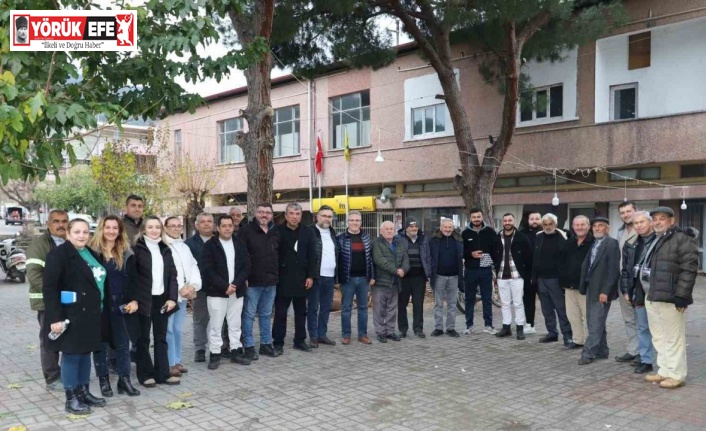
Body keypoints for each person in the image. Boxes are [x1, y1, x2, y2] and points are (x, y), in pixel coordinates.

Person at [43, 219, 108, 414]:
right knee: (72, 355)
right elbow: (50, 289)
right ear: (68, 234)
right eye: (77, 232)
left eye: (85, 232)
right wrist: (55, 318)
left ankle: (83, 392)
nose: (82, 235)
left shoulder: (91, 253)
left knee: (85, 353)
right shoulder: (58, 255)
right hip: (70, 314)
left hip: (91, 313)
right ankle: (71, 398)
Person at [643, 207, 698, 389]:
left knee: (673, 338)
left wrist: (682, 296)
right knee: (659, 337)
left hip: (671, 298)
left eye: (662, 218)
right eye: (655, 219)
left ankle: (676, 375)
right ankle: (664, 370)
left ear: (672, 220)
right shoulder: (656, 239)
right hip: (653, 296)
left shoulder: (682, 238)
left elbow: (689, 269)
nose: (658, 222)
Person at [89, 216, 141, 397]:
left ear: (120, 231)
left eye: (115, 228)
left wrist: (135, 300)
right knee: (100, 346)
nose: (111, 231)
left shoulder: (126, 252)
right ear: (101, 229)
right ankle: (103, 381)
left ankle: (124, 380)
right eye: (107, 227)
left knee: (122, 344)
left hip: (121, 306)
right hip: (100, 307)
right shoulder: (92, 253)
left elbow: (134, 279)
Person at [133, 216, 180, 387]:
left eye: (157, 227)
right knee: (143, 338)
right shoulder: (136, 249)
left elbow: (172, 276)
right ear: (143, 230)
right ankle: (145, 374)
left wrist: (172, 298)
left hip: (162, 299)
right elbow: (132, 277)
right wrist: (134, 299)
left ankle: (163, 373)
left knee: (161, 337)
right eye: (150, 227)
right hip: (144, 300)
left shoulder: (165, 249)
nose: (154, 230)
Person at [26, 209, 69, 391]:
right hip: (47, 303)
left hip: (68, 301)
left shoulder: (71, 241)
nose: (61, 225)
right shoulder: (39, 245)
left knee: (68, 338)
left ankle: (66, 373)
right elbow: (34, 275)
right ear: (48, 224)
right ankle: (52, 377)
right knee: (50, 339)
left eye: (64, 221)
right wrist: (54, 295)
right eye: (56, 221)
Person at [202, 215, 251, 369]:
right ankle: (215, 354)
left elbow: (246, 266)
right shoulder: (210, 245)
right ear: (218, 228)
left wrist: (235, 284)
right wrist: (225, 286)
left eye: (230, 225)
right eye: (224, 226)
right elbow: (208, 270)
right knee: (216, 325)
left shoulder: (239, 243)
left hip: (236, 291)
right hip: (217, 292)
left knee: (235, 324)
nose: (227, 228)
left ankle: (235, 351)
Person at [238, 203, 281, 360]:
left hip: (271, 282)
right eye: (261, 212)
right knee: (249, 315)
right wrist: (244, 278)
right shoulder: (246, 231)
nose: (264, 215)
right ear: (256, 214)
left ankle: (266, 344)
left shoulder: (275, 231)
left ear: (272, 215)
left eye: (267, 212)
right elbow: (241, 256)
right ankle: (249, 346)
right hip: (252, 282)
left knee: (266, 314)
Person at [185, 212, 228, 362]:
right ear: (196, 225)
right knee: (200, 320)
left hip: (219, 287)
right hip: (200, 289)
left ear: (214, 225)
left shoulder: (221, 241)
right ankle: (200, 349)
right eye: (202, 222)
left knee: (220, 319)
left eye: (209, 221)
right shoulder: (189, 244)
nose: (206, 224)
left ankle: (220, 347)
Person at [577, 217, 620, 365]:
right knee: (595, 321)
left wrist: (605, 291)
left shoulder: (612, 243)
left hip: (601, 291)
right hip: (591, 288)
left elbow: (613, 270)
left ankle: (588, 353)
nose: (597, 228)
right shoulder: (595, 243)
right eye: (594, 226)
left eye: (600, 226)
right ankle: (602, 351)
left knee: (595, 322)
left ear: (607, 228)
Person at [163, 217, 202, 377]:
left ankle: (177, 360)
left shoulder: (184, 246)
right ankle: (168, 363)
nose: (176, 228)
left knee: (178, 329)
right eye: (172, 226)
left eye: (179, 226)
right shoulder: (162, 246)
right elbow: (167, 272)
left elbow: (193, 266)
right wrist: (179, 288)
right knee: (168, 330)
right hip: (169, 296)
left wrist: (193, 285)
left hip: (184, 295)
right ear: (165, 227)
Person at [620, 211, 657, 374]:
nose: (639, 225)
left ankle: (666, 363)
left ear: (650, 222)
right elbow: (625, 270)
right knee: (642, 328)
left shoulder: (660, 241)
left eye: (642, 222)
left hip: (658, 292)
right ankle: (646, 360)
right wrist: (626, 291)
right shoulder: (631, 244)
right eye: (636, 223)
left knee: (660, 329)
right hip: (639, 292)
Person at [273, 203, 314, 353]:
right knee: (280, 312)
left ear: (301, 216)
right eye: (291, 214)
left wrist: (311, 276)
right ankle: (278, 342)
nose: (294, 217)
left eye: (297, 214)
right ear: (286, 215)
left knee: (301, 312)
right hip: (283, 278)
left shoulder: (307, 232)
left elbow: (312, 255)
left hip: (302, 278)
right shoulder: (277, 231)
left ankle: (300, 340)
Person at [300, 205, 340, 346]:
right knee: (313, 307)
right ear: (317, 216)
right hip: (315, 277)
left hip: (330, 277)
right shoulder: (309, 231)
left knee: (326, 307)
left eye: (329, 216)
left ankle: (322, 334)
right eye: (324, 216)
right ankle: (313, 336)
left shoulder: (332, 233)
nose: (327, 219)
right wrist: (308, 275)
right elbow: (304, 255)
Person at [532, 213, 572, 345]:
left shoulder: (563, 237)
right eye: (545, 224)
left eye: (551, 224)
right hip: (541, 279)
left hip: (556, 279)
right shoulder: (538, 237)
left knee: (561, 309)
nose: (548, 227)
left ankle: (567, 335)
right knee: (546, 309)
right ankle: (552, 333)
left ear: (555, 224)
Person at [337, 211, 375, 345]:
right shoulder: (340, 238)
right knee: (346, 308)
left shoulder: (366, 238)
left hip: (364, 279)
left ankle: (362, 335)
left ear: (361, 222)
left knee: (363, 308)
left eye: (357, 220)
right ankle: (346, 335)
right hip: (348, 279)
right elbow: (337, 260)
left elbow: (371, 259)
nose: (355, 223)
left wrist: (372, 276)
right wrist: (338, 279)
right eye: (352, 220)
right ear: (348, 222)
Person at [492, 213, 532, 340]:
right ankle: (506, 327)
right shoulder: (497, 237)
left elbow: (528, 256)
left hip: (517, 275)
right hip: (501, 275)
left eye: (510, 220)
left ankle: (520, 328)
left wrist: (526, 272)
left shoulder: (522, 237)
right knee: (504, 304)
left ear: (514, 222)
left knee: (518, 303)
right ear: (502, 222)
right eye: (505, 220)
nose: (507, 222)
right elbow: (493, 253)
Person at [559, 215, 594, 350]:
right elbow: (562, 263)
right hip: (569, 287)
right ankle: (578, 340)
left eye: (582, 224)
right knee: (572, 315)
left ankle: (592, 342)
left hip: (586, 287)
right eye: (577, 225)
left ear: (588, 226)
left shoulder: (594, 243)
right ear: (573, 227)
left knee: (589, 316)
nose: (579, 227)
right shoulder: (569, 243)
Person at [371, 221, 409, 343]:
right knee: (379, 310)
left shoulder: (398, 243)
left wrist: (404, 269)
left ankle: (390, 331)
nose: (389, 231)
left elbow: (405, 259)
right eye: (386, 229)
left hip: (395, 283)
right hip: (381, 282)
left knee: (392, 309)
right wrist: (396, 270)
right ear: (381, 231)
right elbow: (379, 260)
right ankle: (380, 332)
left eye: (391, 229)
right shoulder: (376, 243)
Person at [462, 208, 499, 335]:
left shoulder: (490, 232)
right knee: (469, 298)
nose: (476, 219)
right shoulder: (465, 233)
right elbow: (462, 251)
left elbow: (496, 249)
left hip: (486, 270)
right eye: (474, 217)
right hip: (470, 270)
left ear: (482, 217)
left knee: (487, 298)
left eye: (478, 217)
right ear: (470, 218)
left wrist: (494, 264)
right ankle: (469, 325)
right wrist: (471, 254)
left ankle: (488, 325)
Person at [613, 201, 640, 364]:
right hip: (623, 282)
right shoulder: (620, 231)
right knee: (629, 319)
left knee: (642, 319)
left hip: (638, 282)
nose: (626, 215)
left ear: (636, 211)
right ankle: (633, 350)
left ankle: (644, 353)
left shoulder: (643, 229)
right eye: (622, 213)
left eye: (629, 211)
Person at [395, 217, 431, 338]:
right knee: (402, 304)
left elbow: (428, 256)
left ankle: (418, 329)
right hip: (403, 277)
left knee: (418, 304)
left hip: (419, 277)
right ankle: (403, 329)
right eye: (411, 226)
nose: (414, 228)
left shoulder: (423, 239)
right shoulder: (398, 238)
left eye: (416, 226)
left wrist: (428, 272)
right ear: (406, 227)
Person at [429, 218, 463, 337]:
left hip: (454, 276)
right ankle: (438, 328)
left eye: (450, 227)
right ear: (441, 227)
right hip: (439, 276)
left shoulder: (458, 240)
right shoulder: (434, 240)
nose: (447, 229)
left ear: (453, 228)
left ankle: (450, 328)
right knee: (438, 304)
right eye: (445, 227)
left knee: (452, 304)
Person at [520, 212, 542, 334]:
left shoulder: (546, 233)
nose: (534, 221)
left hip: (543, 273)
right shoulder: (522, 234)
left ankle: (553, 327)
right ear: (528, 221)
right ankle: (530, 324)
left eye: (537, 219)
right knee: (528, 300)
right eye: (532, 219)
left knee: (548, 302)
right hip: (527, 273)